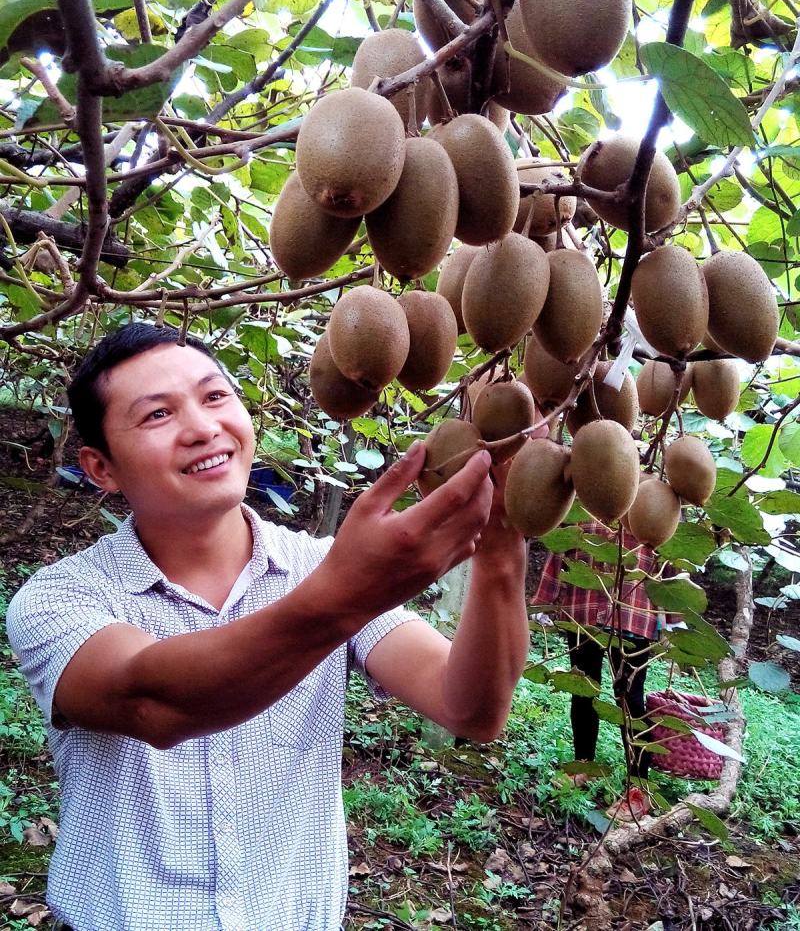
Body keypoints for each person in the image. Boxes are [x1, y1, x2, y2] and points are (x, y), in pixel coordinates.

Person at [7, 323, 530, 931]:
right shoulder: (58, 598)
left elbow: (470, 709)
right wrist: (348, 593)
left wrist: (501, 548)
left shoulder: (319, 568)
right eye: (156, 415)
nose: (203, 428)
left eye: (214, 396)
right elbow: (152, 703)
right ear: (101, 467)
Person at [530, 519, 666, 822]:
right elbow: (560, 548)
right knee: (582, 690)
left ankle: (639, 787)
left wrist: (674, 618)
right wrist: (544, 601)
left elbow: (667, 561)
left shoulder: (651, 499)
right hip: (582, 611)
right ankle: (583, 765)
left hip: (633, 616)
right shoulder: (584, 496)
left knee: (630, 700)